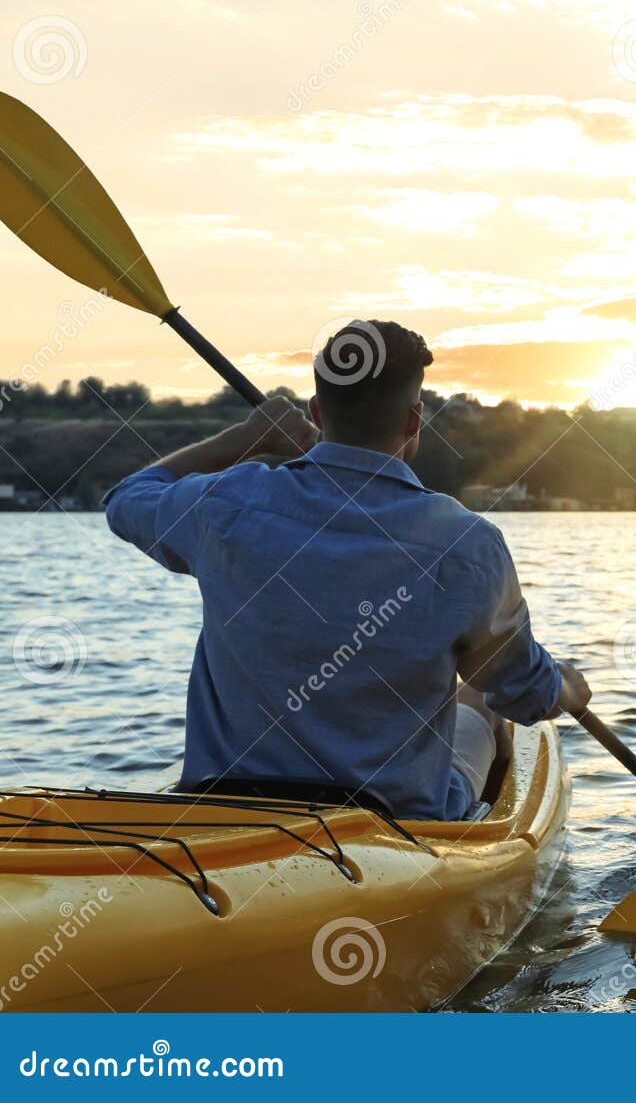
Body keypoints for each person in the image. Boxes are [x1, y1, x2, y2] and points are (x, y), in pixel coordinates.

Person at [103, 319, 589, 820]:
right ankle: (485, 824)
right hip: (393, 826)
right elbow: (525, 695)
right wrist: (564, 687)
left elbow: (126, 499)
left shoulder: (227, 503)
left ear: (317, 410)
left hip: (231, 813)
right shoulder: (467, 543)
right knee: (484, 698)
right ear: (413, 420)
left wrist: (247, 438)